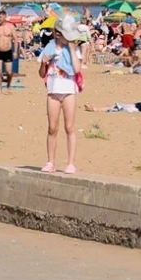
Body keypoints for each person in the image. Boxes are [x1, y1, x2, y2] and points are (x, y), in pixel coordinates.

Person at [39, 16, 84, 173]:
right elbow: (41, 73)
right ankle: (50, 161)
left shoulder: (74, 50)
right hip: (53, 91)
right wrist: (43, 63)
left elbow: (77, 69)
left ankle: (71, 163)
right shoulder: (49, 48)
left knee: (69, 127)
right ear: (57, 33)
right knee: (52, 128)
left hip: (69, 91)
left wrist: (71, 48)